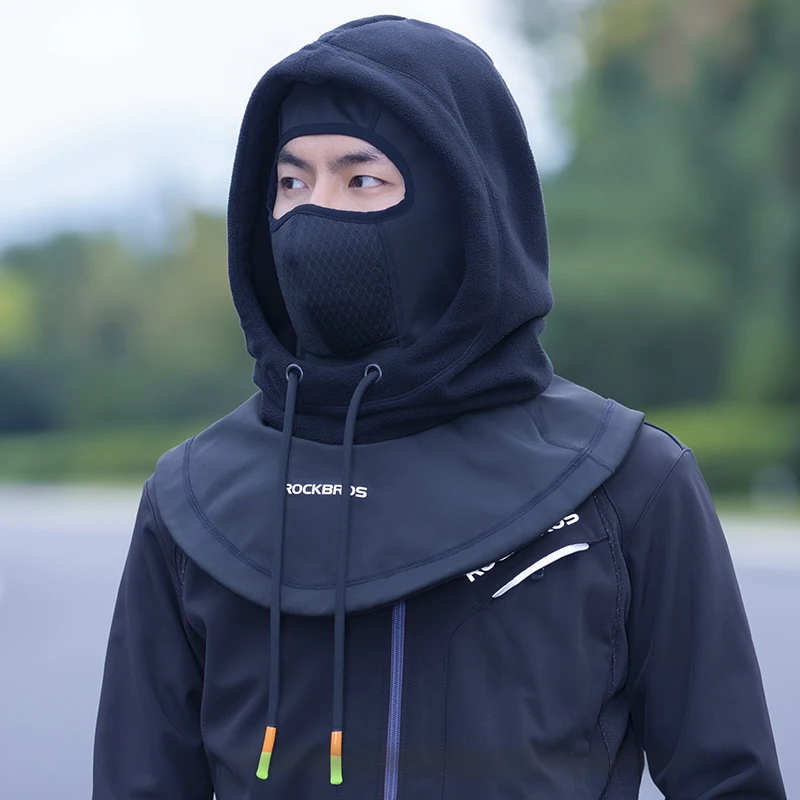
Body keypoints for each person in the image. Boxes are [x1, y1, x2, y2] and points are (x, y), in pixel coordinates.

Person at [92, 15, 786, 800]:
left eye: (361, 180)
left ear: (464, 207)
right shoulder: (192, 500)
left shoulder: (626, 482)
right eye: (291, 183)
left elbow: (730, 783)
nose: (313, 215)